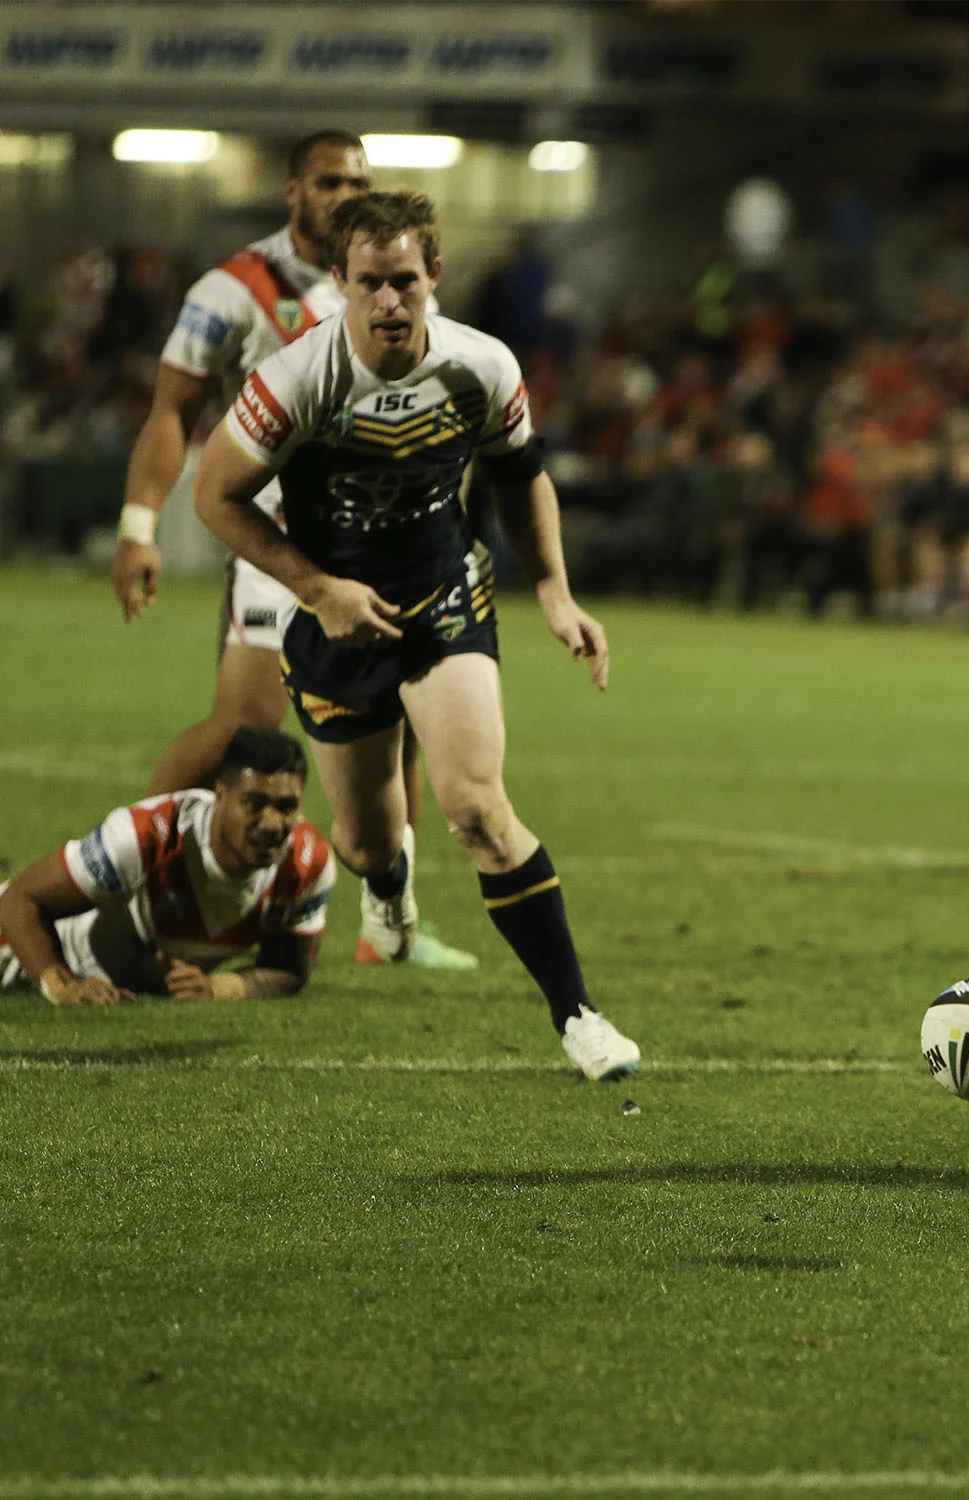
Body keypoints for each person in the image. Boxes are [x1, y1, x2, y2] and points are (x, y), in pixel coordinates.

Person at [187, 190, 641, 1081]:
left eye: (405, 281)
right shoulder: (293, 381)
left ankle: (579, 1015)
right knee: (366, 846)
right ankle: (389, 892)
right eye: (371, 285)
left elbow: (521, 475)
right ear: (342, 285)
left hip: (444, 602)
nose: (389, 301)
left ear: (434, 276)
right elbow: (215, 495)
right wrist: (317, 590)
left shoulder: (484, 366)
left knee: (475, 803)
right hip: (334, 624)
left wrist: (553, 589)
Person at [108, 128, 476, 973]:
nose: (344, 194)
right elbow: (173, 410)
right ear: (292, 191)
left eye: (357, 180)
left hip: (386, 541)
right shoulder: (236, 288)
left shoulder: (397, 275)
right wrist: (139, 525)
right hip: (276, 540)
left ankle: (392, 919)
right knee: (247, 724)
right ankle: (132, 866)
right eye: (327, 182)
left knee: (408, 722)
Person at [0, 728, 331, 1004]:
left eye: (287, 807)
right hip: (20, 948)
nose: (273, 824)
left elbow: (289, 969)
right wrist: (64, 986)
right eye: (255, 804)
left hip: (122, 978)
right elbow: (20, 900)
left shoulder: (306, 864)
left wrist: (218, 988)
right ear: (221, 795)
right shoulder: (146, 836)